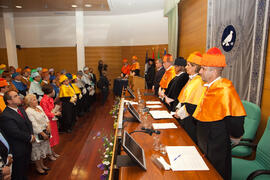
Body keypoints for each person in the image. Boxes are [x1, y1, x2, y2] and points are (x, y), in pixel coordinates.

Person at [193, 47, 246, 180]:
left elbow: (236, 118)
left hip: (216, 144)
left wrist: (235, 136)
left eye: (203, 68)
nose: (200, 71)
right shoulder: (209, 87)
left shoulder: (225, 89)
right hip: (205, 141)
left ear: (214, 71)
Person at [0, 90, 35, 180]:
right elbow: (15, 132)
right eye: (15, 96)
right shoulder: (6, 115)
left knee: (24, 168)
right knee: (18, 172)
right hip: (18, 148)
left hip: (27, 144)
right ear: (9, 101)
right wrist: (29, 137)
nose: (19, 97)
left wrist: (31, 134)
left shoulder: (20, 109)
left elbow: (29, 123)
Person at [174, 52, 205, 143]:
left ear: (195, 67)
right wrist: (177, 108)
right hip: (184, 115)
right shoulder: (191, 79)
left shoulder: (199, 82)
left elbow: (192, 105)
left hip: (190, 120)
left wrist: (179, 113)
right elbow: (183, 97)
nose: (186, 67)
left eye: (188, 65)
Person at [25, 94, 52, 175]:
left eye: (36, 99)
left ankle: (42, 165)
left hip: (45, 130)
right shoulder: (28, 111)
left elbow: (45, 117)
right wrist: (42, 133)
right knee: (37, 152)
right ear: (29, 102)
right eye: (34, 100)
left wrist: (48, 125)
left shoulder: (39, 107)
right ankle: (38, 167)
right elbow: (34, 124)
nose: (36, 100)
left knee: (43, 149)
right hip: (37, 134)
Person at [40, 84, 61, 160]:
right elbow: (45, 113)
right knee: (50, 138)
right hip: (48, 121)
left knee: (54, 137)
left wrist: (56, 111)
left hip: (53, 120)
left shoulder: (50, 98)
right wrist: (55, 113)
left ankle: (53, 152)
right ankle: (50, 154)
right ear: (50, 91)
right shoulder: (44, 101)